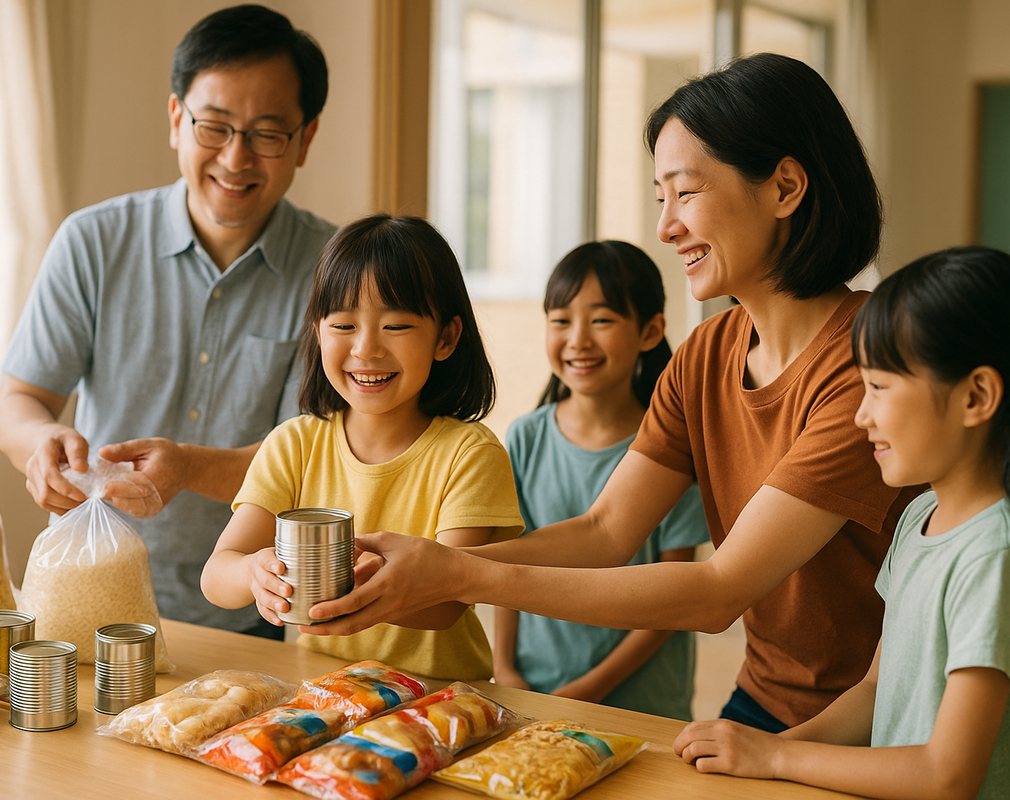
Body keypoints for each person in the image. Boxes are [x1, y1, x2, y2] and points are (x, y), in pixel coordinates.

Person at [301, 52, 920, 730]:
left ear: (785, 188)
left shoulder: (868, 364)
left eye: (686, 193)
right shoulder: (706, 354)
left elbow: (719, 592)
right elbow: (605, 531)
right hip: (765, 697)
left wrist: (460, 575)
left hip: (883, 719)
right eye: (661, 199)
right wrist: (440, 564)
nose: (665, 227)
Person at [0, 5, 337, 638]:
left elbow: (315, 461)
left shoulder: (336, 271)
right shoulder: (93, 242)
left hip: (248, 611)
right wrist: (38, 443)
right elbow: (19, 401)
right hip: (83, 595)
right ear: (177, 119)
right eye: (215, 126)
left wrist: (188, 468)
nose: (235, 158)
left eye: (267, 134)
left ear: (306, 138)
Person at [673, 246, 1010, 799]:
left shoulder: (992, 554)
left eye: (879, 388)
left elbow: (948, 775)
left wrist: (777, 754)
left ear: (976, 396)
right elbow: (875, 689)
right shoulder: (919, 517)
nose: (861, 414)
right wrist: (763, 754)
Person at [200, 214, 523, 680]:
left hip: (441, 700)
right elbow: (216, 575)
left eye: (396, 325)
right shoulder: (294, 444)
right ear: (318, 332)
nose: (366, 349)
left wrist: (345, 584)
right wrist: (254, 573)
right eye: (344, 324)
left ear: (446, 338)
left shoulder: (470, 454)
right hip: (324, 695)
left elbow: (446, 603)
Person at [493, 240, 709, 720]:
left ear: (651, 331)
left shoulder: (671, 446)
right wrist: (504, 666)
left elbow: (674, 603)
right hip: (534, 689)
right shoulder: (526, 436)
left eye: (602, 320)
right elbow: (510, 563)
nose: (578, 340)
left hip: (641, 706)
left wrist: (589, 689)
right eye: (561, 320)